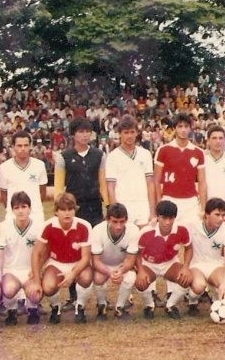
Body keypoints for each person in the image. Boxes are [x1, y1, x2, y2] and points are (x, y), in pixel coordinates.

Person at [53, 117, 107, 309]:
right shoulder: (63, 157)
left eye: (88, 131)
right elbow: (59, 186)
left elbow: (102, 182)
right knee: (74, 251)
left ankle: (101, 298)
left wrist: (108, 206)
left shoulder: (99, 155)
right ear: (73, 134)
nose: (85, 135)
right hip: (72, 210)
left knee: (96, 250)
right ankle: (73, 296)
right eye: (81, 131)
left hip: (94, 208)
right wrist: (59, 209)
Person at [28, 193, 93, 324]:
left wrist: (73, 274)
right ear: (56, 211)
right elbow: (36, 253)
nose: (67, 213)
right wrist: (36, 279)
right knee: (48, 286)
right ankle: (55, 307)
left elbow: (86, 257)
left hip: (77, 262)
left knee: (86, 278)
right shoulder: (47, 226)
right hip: (56, 263)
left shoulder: (84, 225)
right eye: (63, 210)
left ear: (75, 209)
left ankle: (80, 306)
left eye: (70, 209)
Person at [0, 191, 45, 325]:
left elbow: (43, 253)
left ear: (30, 208)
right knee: (9, 289)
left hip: (30, 270)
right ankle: (11, 310)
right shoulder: (4, 226)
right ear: (12, 210)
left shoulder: (39, 226)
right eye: (17, 208)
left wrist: (37, 273)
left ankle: (32, 309)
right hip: (11, 270)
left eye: (24, 207)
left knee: (35, 293)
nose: (21, 211)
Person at [135, 200, 193, 320]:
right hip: (149, 263)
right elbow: (137, 253)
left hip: (169, 263)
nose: (167, 222)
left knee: (187, 279)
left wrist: (186, 267)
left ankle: (170, 305)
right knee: (141, 283)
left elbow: (189, 248)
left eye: (171, 218)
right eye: (163, 218)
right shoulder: (146, 232)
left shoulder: (182, 230)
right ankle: (149, 306)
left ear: (175, 218)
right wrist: (140, 270)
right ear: (157, 217)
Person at [90, 203, 143, 319]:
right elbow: (96, 261)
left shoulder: (133, 230)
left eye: (122, 222)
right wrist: (109, 272)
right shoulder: (97, 230)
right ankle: (101, 305)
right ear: (107, 219)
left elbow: (130, 259)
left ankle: (120, 307)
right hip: (103, 265)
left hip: (121, 265)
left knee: (130, 277)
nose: (118, 226)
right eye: (114, 222)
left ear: (126, 220)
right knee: (98, 278)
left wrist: (121, 270)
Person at [153, 112, 207, 225]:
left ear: (190, 128)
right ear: (174, 128)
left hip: (191, 203)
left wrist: (203, 208)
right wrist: (159, 204)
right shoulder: (163, 150)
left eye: (186, 126)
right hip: (169, 199)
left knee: (191, 237)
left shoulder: (199, 152)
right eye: (180, 126)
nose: (183, 130)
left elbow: (202, 182)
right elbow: (156, 181)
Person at [105, 115, 156, 228]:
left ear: (137, 133)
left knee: (144, 242)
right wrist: (115, 212)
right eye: (126, 132)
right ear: (120, 134)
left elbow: (150, 184)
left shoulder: (145, 154)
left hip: (143, 205)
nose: (129, 136)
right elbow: (110, 187)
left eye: (132, 132)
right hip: (123, 205)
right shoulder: (113, 157)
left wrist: (152, 212)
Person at [187, 198, 225, 314]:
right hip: (196, 265)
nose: (221, 219)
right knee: (199, 286)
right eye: (217, 215)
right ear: (207, 214)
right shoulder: (192, 224)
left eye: (223, 215)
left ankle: (216, 301)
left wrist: (224, 283)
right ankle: (191, 301)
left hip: (215, 265)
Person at [0, 131, 48, 223]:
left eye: (26, 145)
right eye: (19, 146)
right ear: (13, 147)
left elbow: (42, 192)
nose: (23, 148)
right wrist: (13, 209)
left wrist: (34, 207)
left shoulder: (40, 165)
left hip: (35, 215)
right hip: (13, 216)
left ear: (30, 146)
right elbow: (4, 194)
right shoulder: (4, 167)